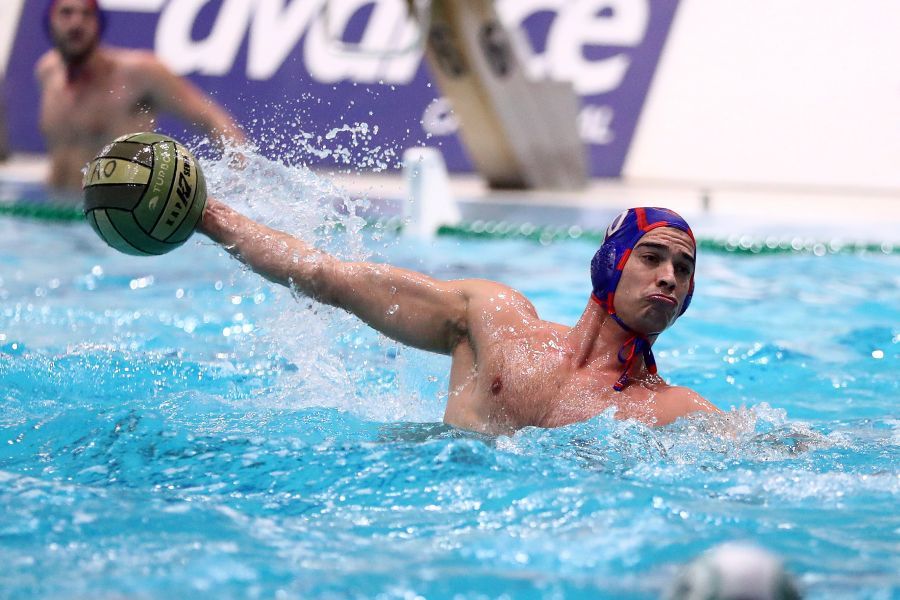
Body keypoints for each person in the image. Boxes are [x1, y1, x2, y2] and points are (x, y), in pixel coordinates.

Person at [198, 201, 720, 434]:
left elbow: (762, 457)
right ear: (610, 263)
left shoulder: (674, 409)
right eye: (651, 257)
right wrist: (208, 217)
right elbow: (324, 276)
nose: (669, 277)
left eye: (683, 268)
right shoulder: (493, 320)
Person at [35, 0, 246, 192]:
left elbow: (211, 119)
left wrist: (240, 176)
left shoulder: (140, 74)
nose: (76, 23)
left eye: (86, 14)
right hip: (53, 209)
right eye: (66, 13)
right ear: (50, 21)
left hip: (116, 211)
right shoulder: (47, 71)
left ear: (99, 24)